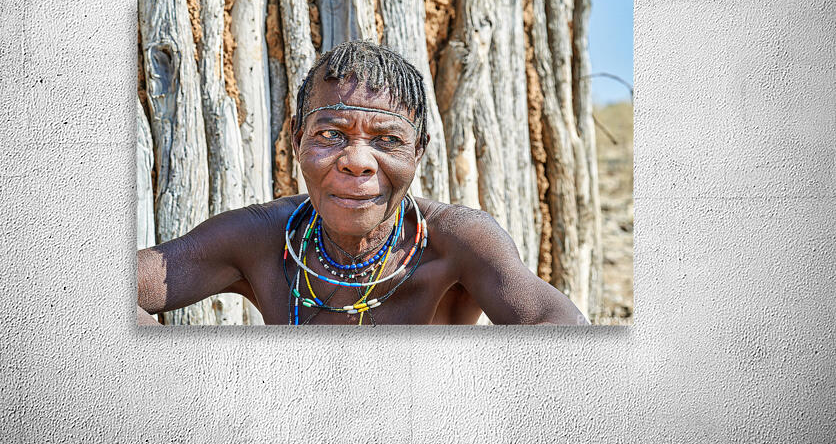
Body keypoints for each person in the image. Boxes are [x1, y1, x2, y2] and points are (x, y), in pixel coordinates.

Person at [137, 40, 588, 326]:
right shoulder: (259, 238)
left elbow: (561, 330)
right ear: (297, 140)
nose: (357, 162)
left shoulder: (456, 242)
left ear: (419, 151)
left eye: (387, 139)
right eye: (330, 135)